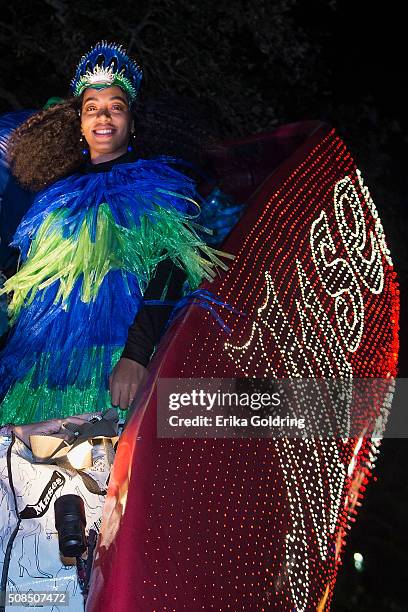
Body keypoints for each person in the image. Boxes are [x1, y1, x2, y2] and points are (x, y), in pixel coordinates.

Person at [0, 41, 232, 426]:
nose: (102, 116)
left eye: (115, 107)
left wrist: (137, 355)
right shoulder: (52, 197)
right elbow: (29, 284)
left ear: (132, 122)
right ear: (79, 123)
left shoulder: (159, 186)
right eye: (91, 108)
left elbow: (172, 269)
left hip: (114, 366)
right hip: (40, 370)